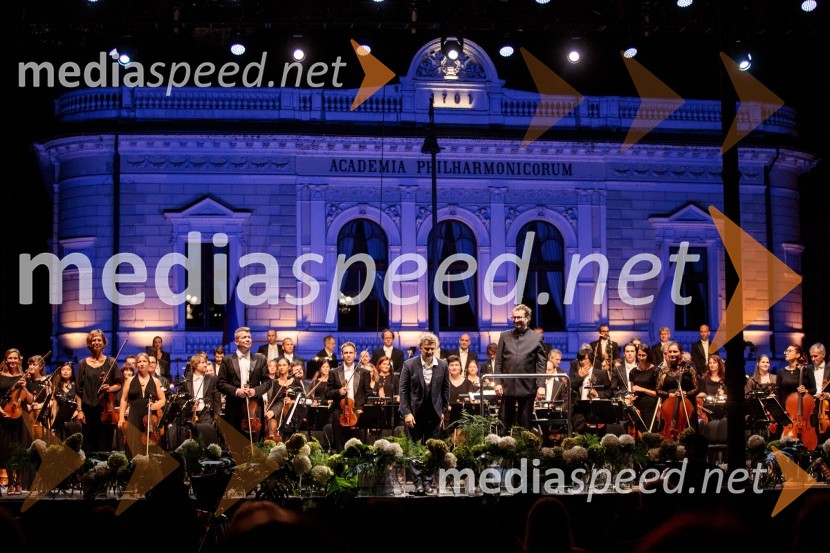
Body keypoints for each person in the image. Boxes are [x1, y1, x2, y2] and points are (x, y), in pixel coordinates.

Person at [399, 332, 449, 495]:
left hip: (434, 414)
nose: (429, 352)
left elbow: (445, 390)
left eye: (432, 349)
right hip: (415, 414)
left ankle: (428, 482)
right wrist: (406, 412)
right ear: (420, 348)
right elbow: (404, 391)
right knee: (415, 449)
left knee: (432, 450)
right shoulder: (409, 364)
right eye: (426, 349)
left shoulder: (443, 365)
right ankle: (417, 482)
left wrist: (443, 412)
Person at [494, 304, 547, 431]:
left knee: (526, 424)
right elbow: (498, 361)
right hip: (507, 386)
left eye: (519, 317)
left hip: (527, 386)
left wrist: (541, 385)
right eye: (514, 317)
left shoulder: (537, 337)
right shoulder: (504, 335)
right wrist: (497, 382)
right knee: (504, 424)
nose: (516, 320)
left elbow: (541, 363)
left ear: (527, 318)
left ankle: (527, 450)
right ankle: (502, 448)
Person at [217, 327, 269, 443]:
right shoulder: (227, 360)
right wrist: (236, 391)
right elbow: (220, 383)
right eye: (244, 337)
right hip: (234, 407)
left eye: (249, 337)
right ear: (236, 341)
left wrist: (255, 391)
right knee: (236, 443)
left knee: (255, 442)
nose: (248, 339)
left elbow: (267, 382)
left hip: (254, 407)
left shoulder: (261, 359)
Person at [75, 329, 121, 453]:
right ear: (89, 343)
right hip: (87, 410)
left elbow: (119, 384)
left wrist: (109, 388)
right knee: (89, 446)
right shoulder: (82, 364)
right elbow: (78, 391)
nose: (96, 342)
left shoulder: (111, 362)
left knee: (104, 446)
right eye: (93, 340)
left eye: (99, 340)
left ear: (104, 343)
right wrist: (80, 411)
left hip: (105, 410)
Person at [118, 352, 166, 458]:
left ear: (149, 364)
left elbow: (163, 400)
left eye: (144, 361)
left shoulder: (156, 381)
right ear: (136, 365)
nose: (142, 364)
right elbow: (124, 400)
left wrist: (154, 406)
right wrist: (121, 417)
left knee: (150, 445)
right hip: (134, 416)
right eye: (139, 361)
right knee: (133, 444)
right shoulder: (130, 381)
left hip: (149, 417)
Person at [325, 342, 370, 451]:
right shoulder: (334, 372)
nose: (348, 355)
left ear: (355, 354)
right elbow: (327, 393)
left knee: (359, 448)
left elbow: (368, 393)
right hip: (340, 414)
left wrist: (361, 408)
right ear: (341, 355)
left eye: (351, 352)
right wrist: (338, 392)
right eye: (346, 353)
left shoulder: (364, 372)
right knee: (341, 448)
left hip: (358, 413)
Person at [1, 348, 31, 495]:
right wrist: (0, 411)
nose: (12, 361)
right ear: (6, 360)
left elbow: (31, 399)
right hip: (4, 416)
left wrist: (25, 386)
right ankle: (10, 483)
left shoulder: (24, 377)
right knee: (7, 449)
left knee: (20, 450)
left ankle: (19, 482)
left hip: (20, 418)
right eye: (10, 358)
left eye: (15, 358)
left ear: (19, 360)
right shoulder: (0, 376)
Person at [656, 341, 700, 432]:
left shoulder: (689, 368)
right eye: (670, 352)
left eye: (675, 351)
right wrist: (669, 395)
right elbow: (658, 390)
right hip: (669, 406)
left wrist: (686, 393)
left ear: (681, 353)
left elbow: (697, 388)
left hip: (687, 405)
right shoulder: (663, 371)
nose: (672, 354)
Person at [263, 357, 304, 441]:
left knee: (286, 404)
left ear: (289, 367)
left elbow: (302, 399)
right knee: (280, 403)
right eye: (279, 365)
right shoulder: (274, 382)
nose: (281, 367)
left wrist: (292, 401)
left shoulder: (296, 382)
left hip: (292, 412)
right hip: (277, 411)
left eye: (284, 365)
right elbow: (272, 400)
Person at [181, 353, 221, 425]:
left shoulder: (212, 379)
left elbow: (217, 401)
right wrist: (189, 405)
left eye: (205, 362)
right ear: (195, 365)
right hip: (190, 416)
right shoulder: (186, 380)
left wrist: (216, 419)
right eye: (202, 363)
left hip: (207, 416)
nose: (205, 365)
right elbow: (180, 399)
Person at [629, 345, 659, 431]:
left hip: (651, 407)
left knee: (650, 432)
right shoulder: (633, 372)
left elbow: (658, 394)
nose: (641, 358)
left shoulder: (655, 370)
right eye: (639, 355)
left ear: (648, 355)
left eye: (643, 355)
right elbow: (633, 391)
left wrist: (642, 389)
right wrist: (631, 398)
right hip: (637, 407)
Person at [49, 361, 82, 440]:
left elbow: (79, 403)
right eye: (63, 369)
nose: (65, 371)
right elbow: (54, 409)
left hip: (74, 418)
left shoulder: (76, 385)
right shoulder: (56, 387)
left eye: (68, 369)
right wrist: (53, 426)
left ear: (72, 371)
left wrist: (77, 412)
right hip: (61, 418)